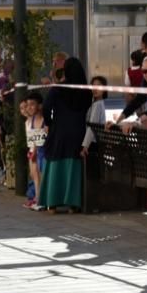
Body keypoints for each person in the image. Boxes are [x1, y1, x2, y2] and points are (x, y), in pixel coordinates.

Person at [39, 58, 93, 213]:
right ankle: (73, 204)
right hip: (78, 132)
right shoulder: (86, 91)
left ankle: (52, 203)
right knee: (73, 166)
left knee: (56, 163)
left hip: (59, 131)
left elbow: (46, 108)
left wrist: (50, 123)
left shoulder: (58, 89)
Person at [22, 92, 47, 211]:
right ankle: (38, 198)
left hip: (43, 151)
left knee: (41, 174)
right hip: (33, 151)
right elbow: (31, 139)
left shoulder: (44, 121)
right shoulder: (29, 122)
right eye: (28, 105)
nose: (29, 107)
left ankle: (41, 199)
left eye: (32, 104)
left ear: (40, 106)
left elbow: (44, 138)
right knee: (34, 175)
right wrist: (32, 151)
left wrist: (35, 150)